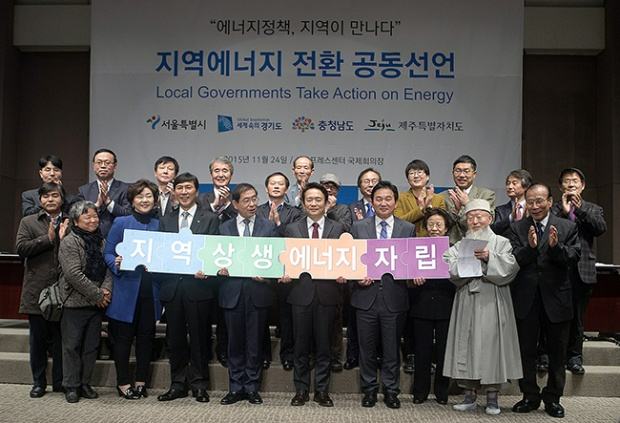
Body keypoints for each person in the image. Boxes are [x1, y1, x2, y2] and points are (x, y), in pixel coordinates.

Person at [507, 183, 580, 418]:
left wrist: (556, 247)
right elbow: (513, 259)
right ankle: (529, 395)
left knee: (557, 352)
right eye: (530, 202)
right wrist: (530, 248)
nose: (535, 206)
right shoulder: (517, 227)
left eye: (539, 201)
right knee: (526, 350)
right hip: (526, 299)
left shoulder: (567, 226)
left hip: (557, 298)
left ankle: (553, 398)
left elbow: (573, 257)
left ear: (550, 201)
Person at [443, 199, 522, 415]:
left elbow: (510, 268)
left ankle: (493, 398)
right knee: (466, 344)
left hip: (493, 299)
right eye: (470, 217)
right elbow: (447, 265)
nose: (475, 221)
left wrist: (489, 258)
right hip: (467, 299)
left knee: (492, 346)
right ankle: (469, 395)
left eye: (480, 217)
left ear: (489, 218)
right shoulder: (459, 245)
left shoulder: (502, 243)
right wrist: (466, 263)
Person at [350, 181, 415, 409]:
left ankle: (391, 391)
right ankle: (369, 390)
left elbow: (411, 261)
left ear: (396, 202)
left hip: (394, 297)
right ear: (372, 201)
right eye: (378, 199)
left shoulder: (407, 228)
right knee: (366, 348)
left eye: (388, 199)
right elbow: (351, 260)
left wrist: (416, 274)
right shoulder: (358, 227)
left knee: (391, 349)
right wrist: (357, 276)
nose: (383, 203)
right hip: (365, 296)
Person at [281, 182, 346, 407]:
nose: (314, 203)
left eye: (319, 199)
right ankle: (300, 390)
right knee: (300, 345)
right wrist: (283, 273)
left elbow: (345, 259)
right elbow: (284, 258)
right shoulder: (292, 229)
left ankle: (321, 391)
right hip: (300, 293)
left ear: (327, 203)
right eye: (309, 199)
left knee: (324, 346)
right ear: (303, 202)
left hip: (328, 294)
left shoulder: (338, 229)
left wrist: (345, 274)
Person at [157, 173, 220, 403]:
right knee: (174, 339)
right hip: (172, 287)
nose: (184, 192)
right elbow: (160, 252)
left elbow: (214, 251)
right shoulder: (165, 220)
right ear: (174, 191)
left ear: (196, 191)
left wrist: (208, 269)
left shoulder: (210, 218)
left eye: (188, 187)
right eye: (180, 188)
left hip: (198, 287)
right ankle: (177, 384)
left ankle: (199, 384)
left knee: (200, 338)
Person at [217, 183, 278, 405]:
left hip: (257, 292)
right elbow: (216, 257)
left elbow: (276, 258)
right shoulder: (223, 228)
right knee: (234, 343)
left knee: (254, 344)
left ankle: (252, 387)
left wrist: (267, 276)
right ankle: (235, 387)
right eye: (246, 200)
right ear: (235, 204)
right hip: (232, 292)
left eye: (254, 199)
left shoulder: (268, 226)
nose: (252, 204)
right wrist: (218, 269)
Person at [104, 179, 161, 399]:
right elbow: (108, 253)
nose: (144, 200)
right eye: (140, 196)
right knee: (123, 339)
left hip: (150, 290)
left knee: (146, 338)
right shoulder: (121, 222)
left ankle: (141, 382)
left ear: (155, 200)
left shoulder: (160, 224)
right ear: (132, 200)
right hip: (125, 290)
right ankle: (122, 383)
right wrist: (116, 263)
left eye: (148, 196)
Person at [16, 182, 69, 397]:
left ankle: (59, 382)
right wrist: (48, 239)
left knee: (61, 340)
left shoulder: (71, 221)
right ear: (40, 200)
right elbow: (21, 249)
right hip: (37, 290)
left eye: (54, 195)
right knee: (37, 341)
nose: (50, 199)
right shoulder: (28, 222)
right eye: (45, 196)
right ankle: (38, 382)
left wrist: (64, 239)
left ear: (62, 199)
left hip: (64, 291)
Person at [552, 168, 606, 375]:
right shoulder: (554, 208)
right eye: (566, 181)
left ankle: (574, 357)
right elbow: (551, 231)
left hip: (582, 269)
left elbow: (599, 229)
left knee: (577, 318)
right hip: (558, 269)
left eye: (575, 181)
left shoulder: (593, 208)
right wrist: (565, 213)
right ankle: (554, 357)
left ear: (582, 186)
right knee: (556, 316)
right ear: (560, 187)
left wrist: (580, 209)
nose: (571, 184)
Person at [58, 200, 113, 403]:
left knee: (91, 347)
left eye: (95, 216)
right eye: (87, 216)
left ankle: (85, 383)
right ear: (75, 221)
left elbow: (108, 269)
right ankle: (71, 386)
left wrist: (106, 290)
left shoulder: (101, 241)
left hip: (96, 305)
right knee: (71, 346)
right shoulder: (70, 242)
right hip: (74, 303)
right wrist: (98, 295)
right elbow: (73, 274)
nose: (92, 220)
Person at [256, 172, 302, 371]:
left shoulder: (295, 213)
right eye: (272, 183)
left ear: (286, 189)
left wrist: (277, 225)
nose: (276, 186)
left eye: (280, 184)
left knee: (286, 315)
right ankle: (263, 355)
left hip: (286, 269)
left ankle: (287, 355)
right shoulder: (257, 210)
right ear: (266, 188)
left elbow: (294, 237)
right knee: (261, 315)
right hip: (262, 268)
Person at [410, 208, 455, 406]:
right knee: (422, 351)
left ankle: (442, 390)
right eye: (430, 224)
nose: (434, 228)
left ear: (446, 228)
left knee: (445, 351)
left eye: (438, 224)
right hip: (422, 303)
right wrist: (414, 278)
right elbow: (407, 274)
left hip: (447, 304)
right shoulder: (416, 248)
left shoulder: (454, 249)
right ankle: (420, 391)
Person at [196, 156, 236, 367]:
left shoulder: (238, 197)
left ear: (231, 174)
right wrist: (215, 205)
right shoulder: (201, 199)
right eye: (217, 171)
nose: (221, 174)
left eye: (225, 171)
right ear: (211, 174)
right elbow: (199, 222)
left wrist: (228, 205)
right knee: (203, 310)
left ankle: (224, 350)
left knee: (225, 312)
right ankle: (203, 351)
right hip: (205, 260)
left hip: (229, 261)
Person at [345, 168, 382, 371]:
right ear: (359, 186)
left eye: (374, 180)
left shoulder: (387, 208)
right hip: (358, 268)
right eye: (366, 181)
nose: (370, 184)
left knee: (380, 319)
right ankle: (352, 355)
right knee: (355, 317)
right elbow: (346, 236)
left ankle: (377, 355)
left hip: (382, 268)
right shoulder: (351, 208)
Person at [440, 155, 495, 244]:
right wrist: (455, 212)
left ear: (474, 174)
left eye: (466, 171)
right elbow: (440, 225)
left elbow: (488, 222)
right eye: (458, 171)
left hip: (477, 244)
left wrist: (468, 204)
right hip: (449, 246)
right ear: (453, 173)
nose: (462, 175)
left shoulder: (486, 195)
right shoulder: (442, 197)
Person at [76, 148, 131, 237]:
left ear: (115, 166)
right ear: (94, 166)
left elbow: (128, 214)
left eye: (107, 163)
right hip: (89, 238)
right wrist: (96, 205)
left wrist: (109, 203)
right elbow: (78, 216)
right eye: (99, 162)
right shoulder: (84, 190)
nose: (103, 166)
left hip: (117, 238)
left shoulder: (126, 189)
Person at [394, 159, 447, 236]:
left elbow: (443, 223)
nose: (416, 176)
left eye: (420, 172)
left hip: (432, 240)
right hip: (409, 240)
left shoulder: (439, 199)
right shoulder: (400, 198)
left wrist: (428, 207)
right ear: (408, 179)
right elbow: (398, 223)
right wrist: (420, 208)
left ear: (427, 177)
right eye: (412, 173)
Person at [491, 169, 533, 236]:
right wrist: (511, 217)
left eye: (514, 183)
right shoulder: (500, 210)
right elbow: (495, 230)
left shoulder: (533, 207)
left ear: (526, 187)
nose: (510, 187)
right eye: (508, 183)